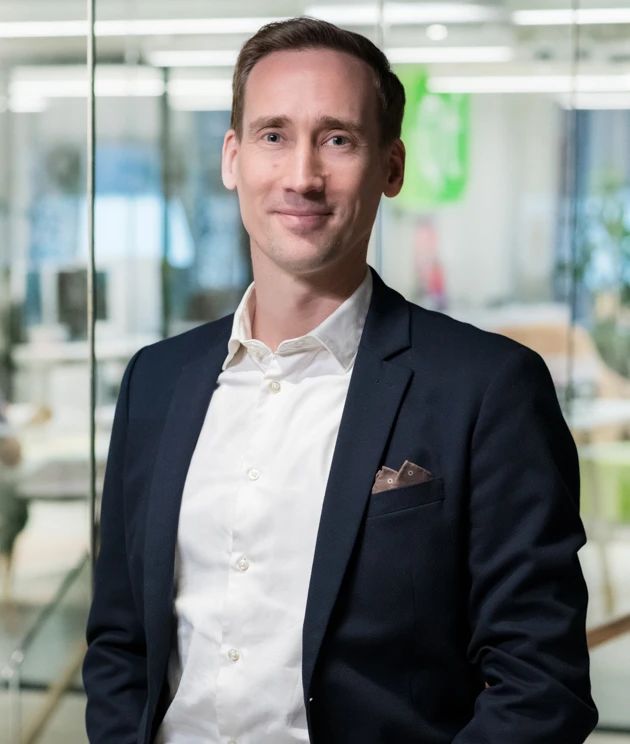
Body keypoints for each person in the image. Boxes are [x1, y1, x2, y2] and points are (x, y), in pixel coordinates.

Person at [83, 16, 598, 744]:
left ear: (391, 167)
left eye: (337, 140)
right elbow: (119, 642)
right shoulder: (157, 382)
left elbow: (540, 684)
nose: (301, 176)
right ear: (232, 158)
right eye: (273, 136)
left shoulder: (488, 389)